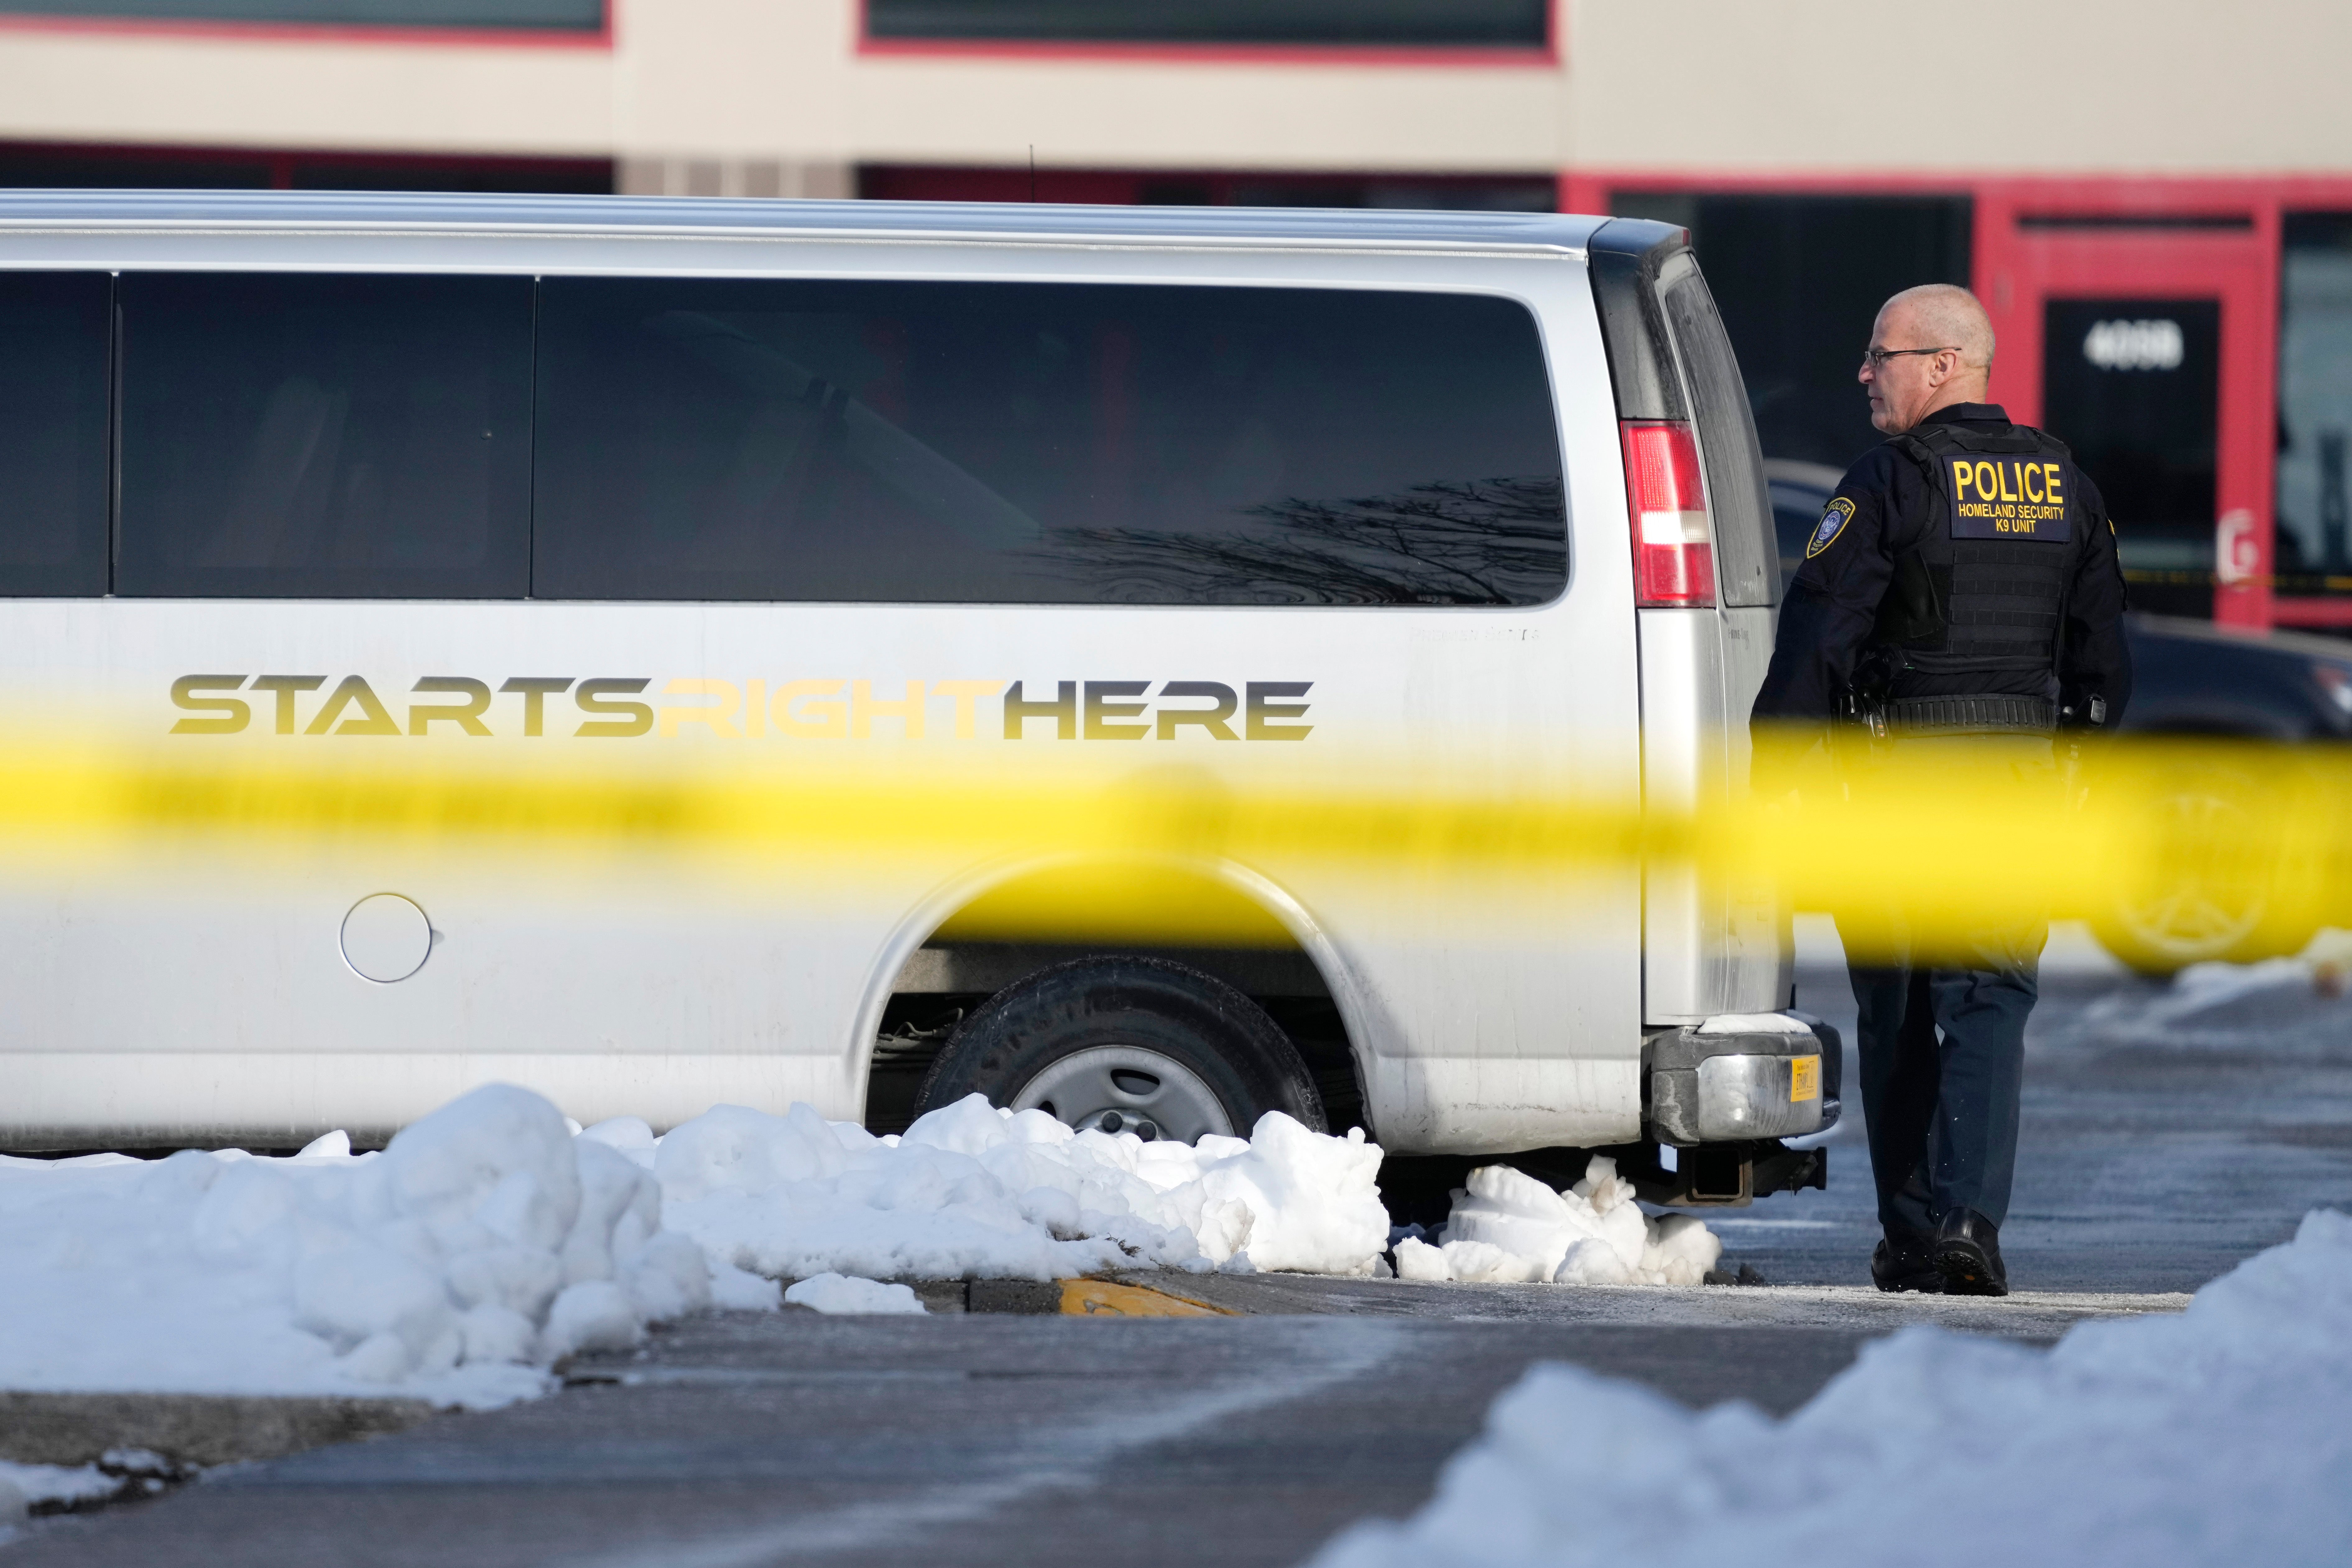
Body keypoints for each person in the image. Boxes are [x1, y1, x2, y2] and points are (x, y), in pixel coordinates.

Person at [1751, 284, 2132, 1296]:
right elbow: (2102, 665)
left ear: (1943, 366)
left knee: (1897, 1000)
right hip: (2017, 787)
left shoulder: (1887, 482)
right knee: (1988, 1000)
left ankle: (1914, 1235)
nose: (1864, 374)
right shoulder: (2066, 488)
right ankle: (1970, 1220)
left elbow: (1818, 639)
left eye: (1882, 355)